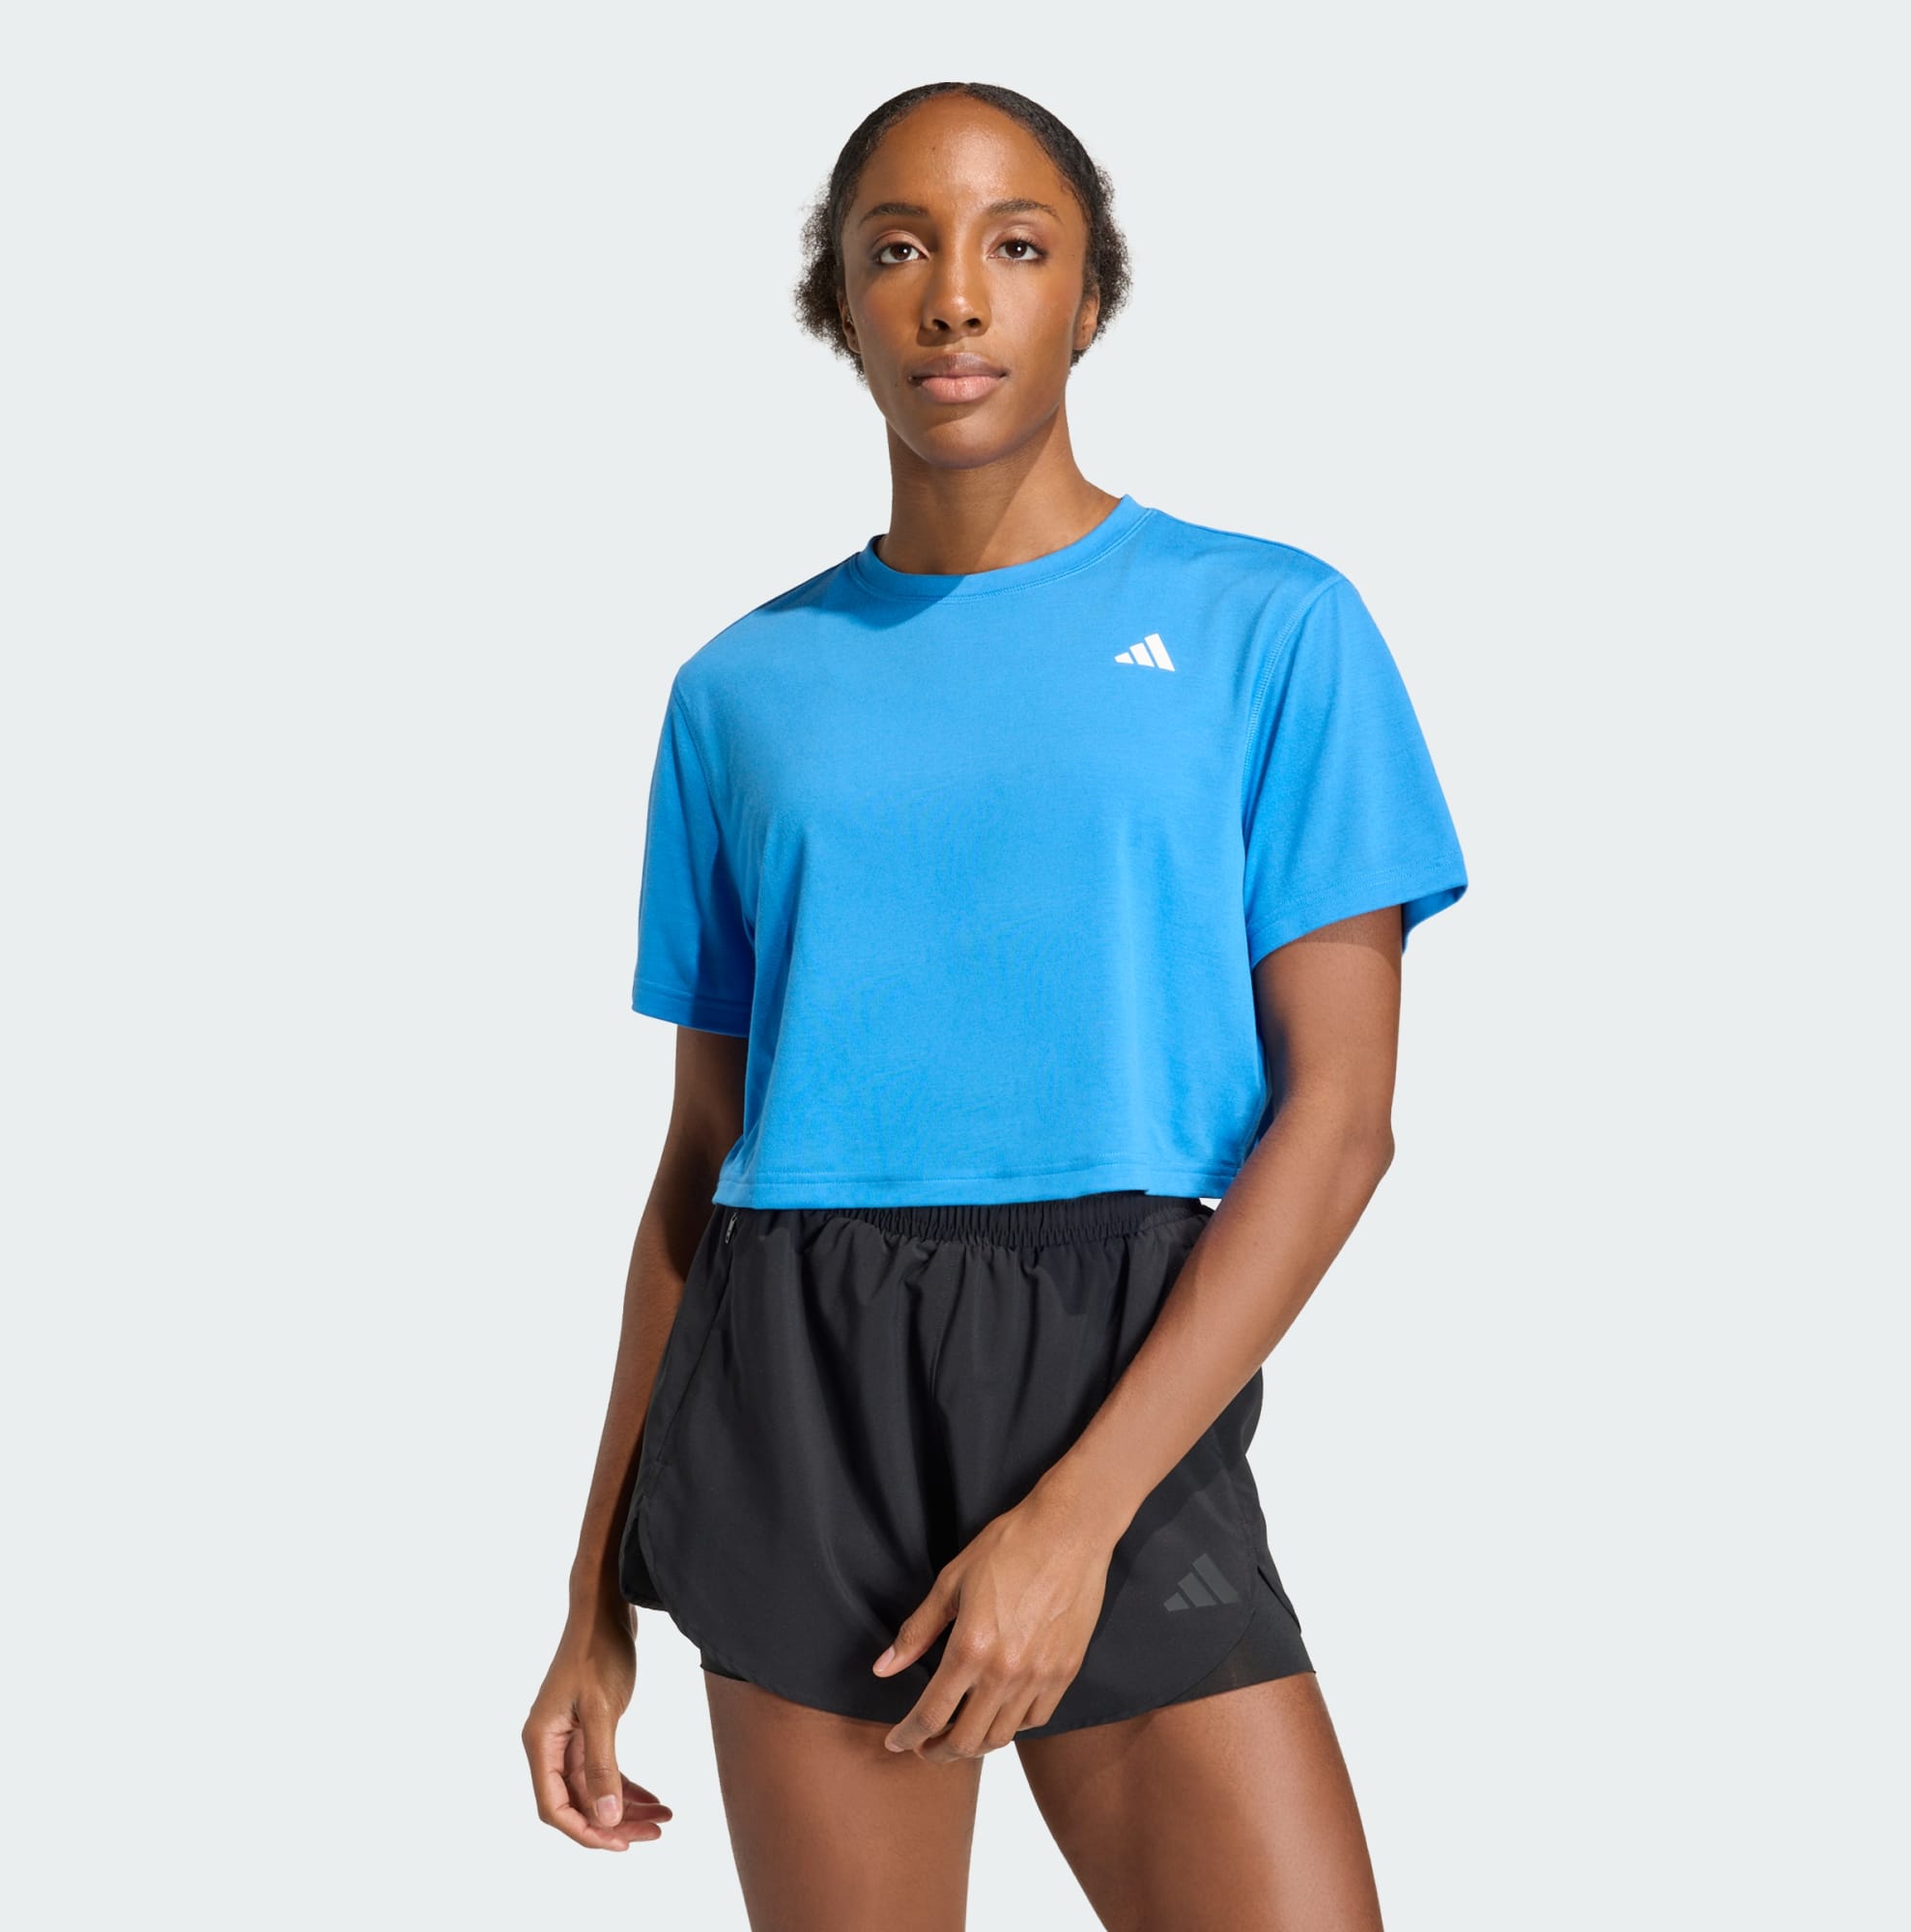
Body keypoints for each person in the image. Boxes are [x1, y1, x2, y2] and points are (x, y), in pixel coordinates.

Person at [523, 79, 1467, 1931]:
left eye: (1015, 246)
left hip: (1119, 1361)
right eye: (899, 249)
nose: (955, 294)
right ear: (840, 304)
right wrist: (591, 1599)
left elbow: (1340, 1122)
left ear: (1088, 296)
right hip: (798, 1390)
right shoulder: (739, 690)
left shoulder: (1270, 627)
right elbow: (701, 1166)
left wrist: (1078, 1516)